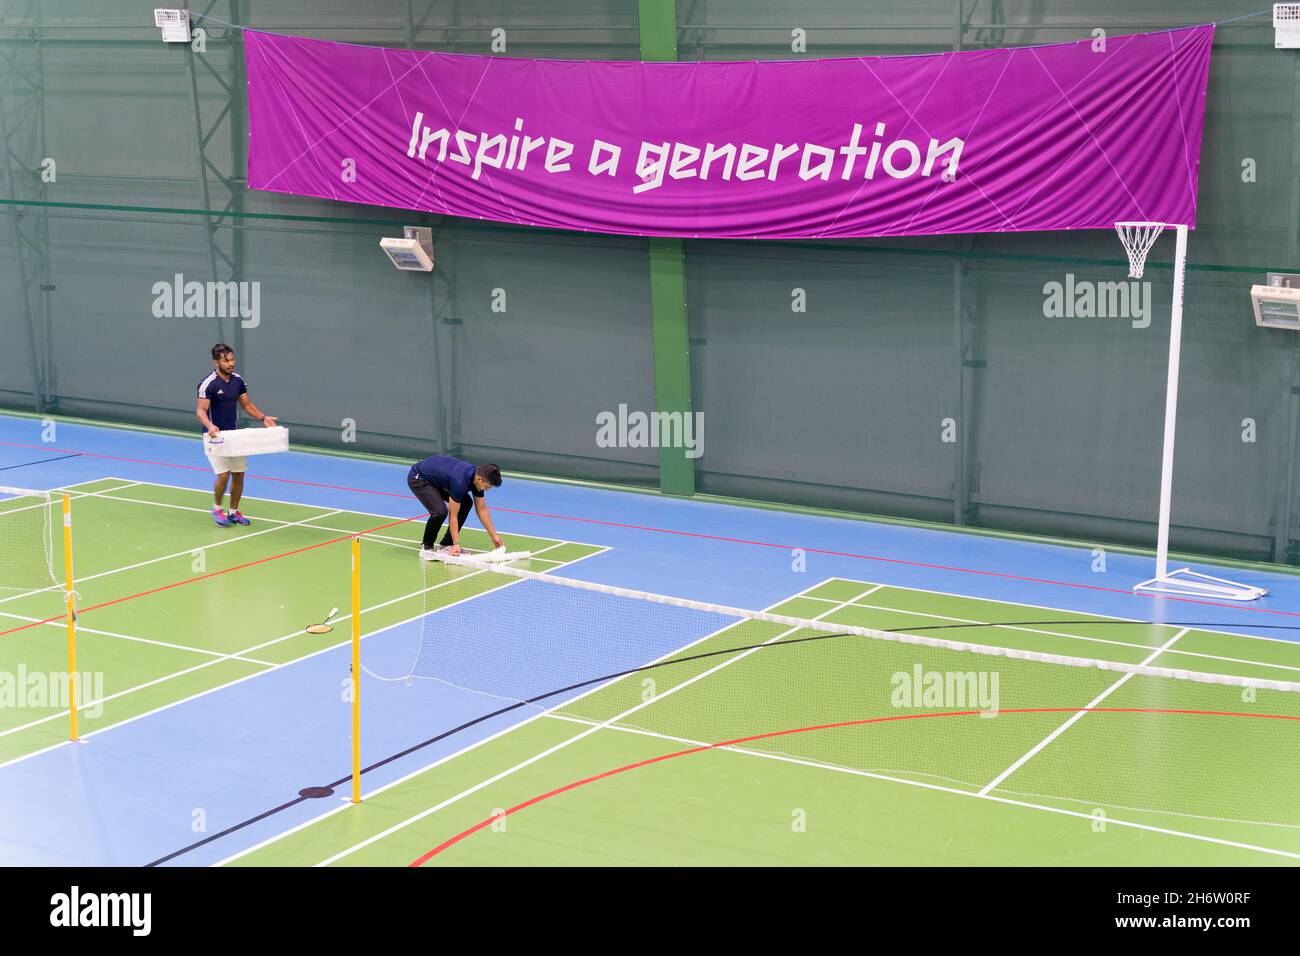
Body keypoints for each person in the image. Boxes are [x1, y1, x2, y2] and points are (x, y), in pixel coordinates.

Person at [196, 343, 277, 527]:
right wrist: (210, 426)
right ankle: (217, 508)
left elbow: (247, 406)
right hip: (214, 437)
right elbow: (201, 411)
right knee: (224, 474)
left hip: (234, 436)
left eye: (232, 360)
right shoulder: (208, 383)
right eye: (226, 360)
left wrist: (263, 417)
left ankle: (233, 512)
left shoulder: (238, 381)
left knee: (239, 474)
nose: (231, 363)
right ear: (216, 362)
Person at [407, 454, 504, 559]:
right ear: (479, 479)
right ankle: (427, 548)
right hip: (419, 477)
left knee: (466, 503)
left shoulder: (477, 478)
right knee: (440, 511)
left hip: (437, 478)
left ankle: (446, 544)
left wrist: (494, 535)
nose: (487, 489)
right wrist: (456, 543)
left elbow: (482, 510)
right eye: (487, 486)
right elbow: (453, 515)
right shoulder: (460, 482)